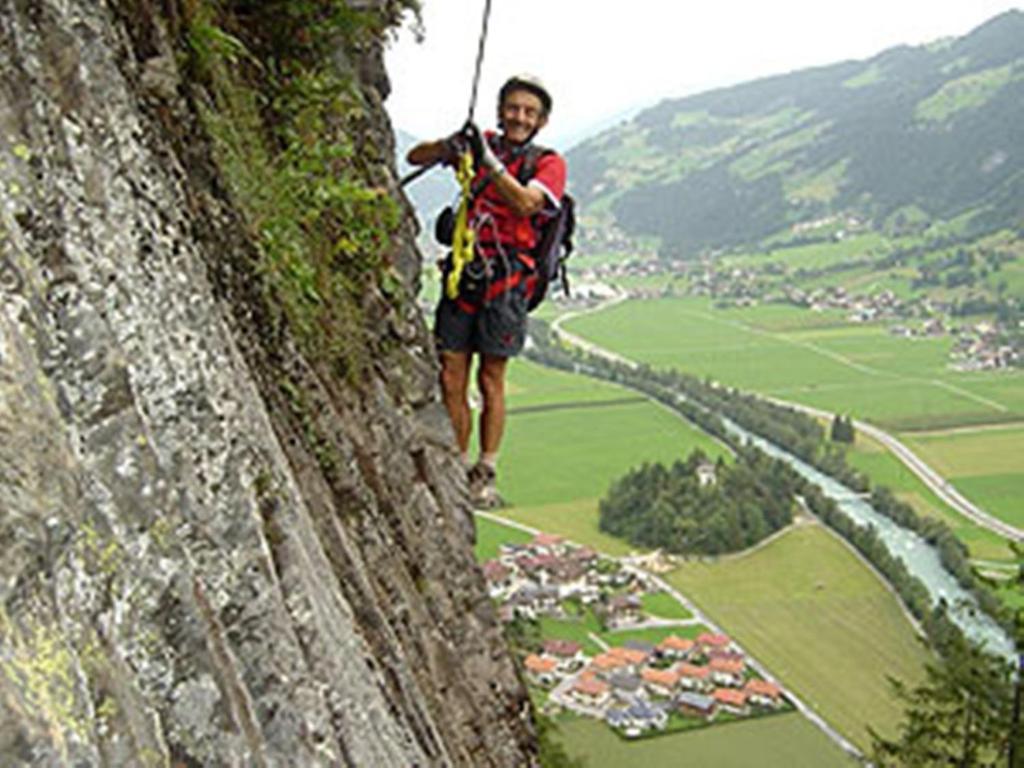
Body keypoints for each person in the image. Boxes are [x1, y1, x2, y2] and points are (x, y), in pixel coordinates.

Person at [406, 74, 567, 508]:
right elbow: (414, 156)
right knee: (450, 374)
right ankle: (459, 463)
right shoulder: (483, 146)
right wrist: (449, 146)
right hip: (469, 270)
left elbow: (527, 204)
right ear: (501, 110)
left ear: (541, 121)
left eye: (529, 112)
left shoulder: (548, 163)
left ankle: (486, 467)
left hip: (509, 281)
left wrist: (485, 159)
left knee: (491, 378)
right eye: (513, 108)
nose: (519, 117)